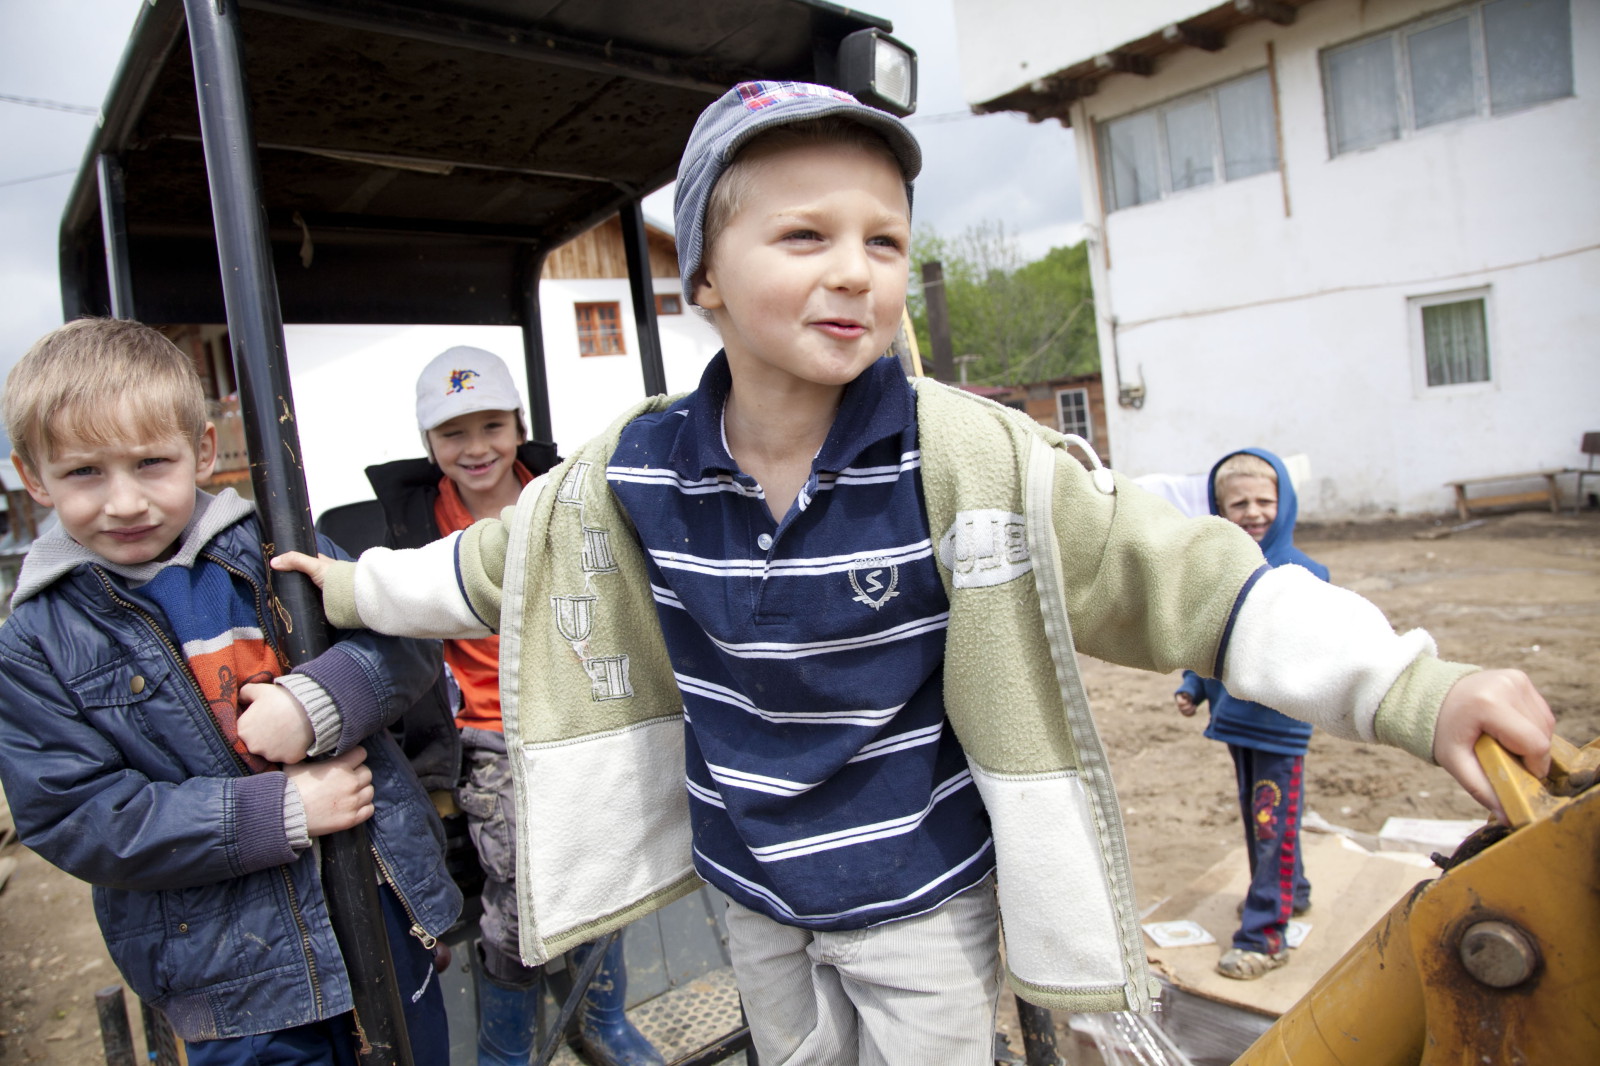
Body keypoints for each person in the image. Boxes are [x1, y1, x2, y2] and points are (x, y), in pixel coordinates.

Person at [273, 81, 1555, 1066]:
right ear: (703, 279)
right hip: (749, 884)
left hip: (918, 894)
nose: (855, 268)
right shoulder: (634, 472)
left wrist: (1411, 685)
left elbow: (1188, 577)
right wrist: (345, 589)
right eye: (806, 234)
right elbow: (482, 569)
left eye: (884, 241)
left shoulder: (964, 457)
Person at [0, 318, 461, 1066]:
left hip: (378, 909)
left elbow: (402, 634)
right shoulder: (37, 638)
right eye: (86, 473)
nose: (124, 502)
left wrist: (320, 702)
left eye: (152, 463)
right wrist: (277, 811)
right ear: (33, 477)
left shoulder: (275, 543)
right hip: (234, 974)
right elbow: (75, 814)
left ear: (203, 452)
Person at [365, 345, 663, 1066]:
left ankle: (604, 1019)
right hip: (485, 732)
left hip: (575, 710)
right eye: (452, 434)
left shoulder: (563, 496)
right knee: (526, 895)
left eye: (492, 427)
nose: (476, 450)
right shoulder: (412, 527)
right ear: (428, 444)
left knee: (610, 861)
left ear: (518, 426)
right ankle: (507, 1052)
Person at [1174, 449, 1321, 980]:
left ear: (1284, 503)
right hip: (1236, 720)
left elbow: (1318, 646)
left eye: (1265, 500)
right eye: (1239, 503)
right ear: (1218, 509)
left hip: (1280, 726)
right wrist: (1193, 684)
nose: (1253, 512)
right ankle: (1292, 892)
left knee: (1271, 822)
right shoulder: (1222, 570)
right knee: (1259, 818)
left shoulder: (1303, 574)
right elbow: (1208, 636)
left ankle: (1265, 935)